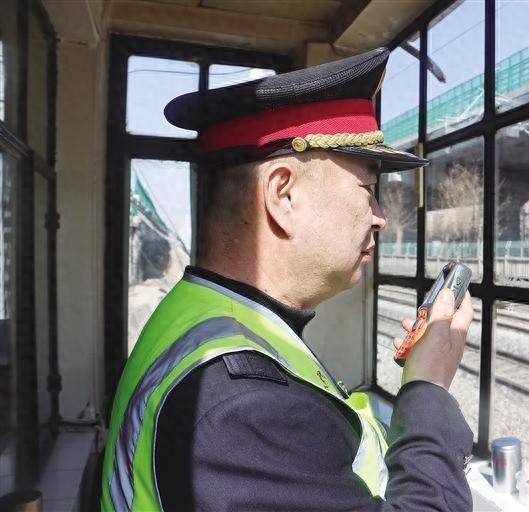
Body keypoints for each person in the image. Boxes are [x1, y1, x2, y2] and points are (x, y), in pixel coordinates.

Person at [101, 47, 475, 512]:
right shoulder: (239, 403)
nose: (380, 217)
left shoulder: (213, 319)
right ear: (283, 195)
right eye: (368, 190)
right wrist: (428, 388)